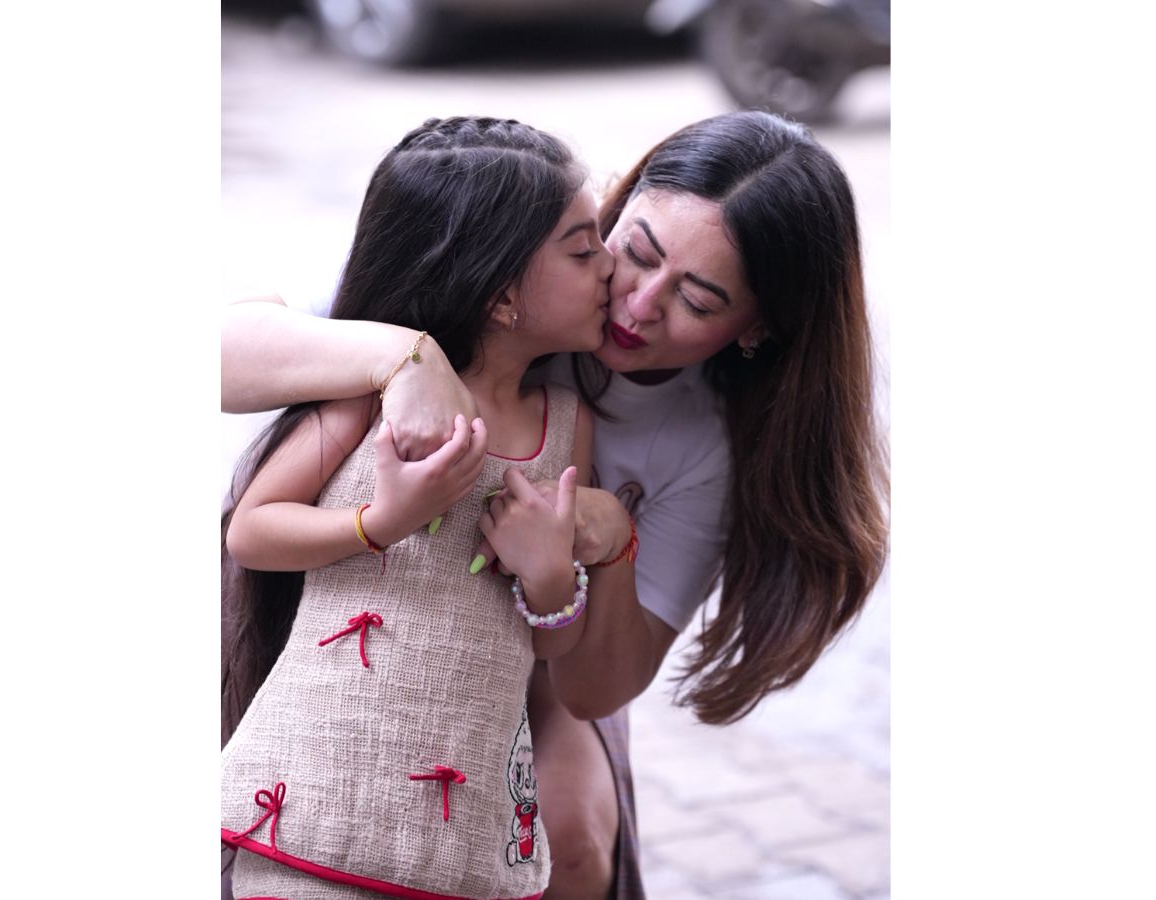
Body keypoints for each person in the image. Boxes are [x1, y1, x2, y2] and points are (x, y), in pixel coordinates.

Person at [221, 109, 889, 900]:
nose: (637, 304)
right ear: (619, 205)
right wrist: (403, 355)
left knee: (568, 840)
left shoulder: (700, 445)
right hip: (340, 593)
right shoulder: (512, 254)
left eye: (699, 300)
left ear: (758, 328)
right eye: (636, 252)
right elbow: (227, 352)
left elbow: (592, 687)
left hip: (532, 648)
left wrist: (610, 546)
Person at [220, 115, 621, 900]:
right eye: (583, 251)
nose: (612, 266)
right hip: (315, 802)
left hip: (459, 833)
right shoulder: (373, 395)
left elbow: (547, 644)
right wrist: (381, 523)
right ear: (501, 295)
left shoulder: (567, 427)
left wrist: (549, 580)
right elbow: (252, 533)